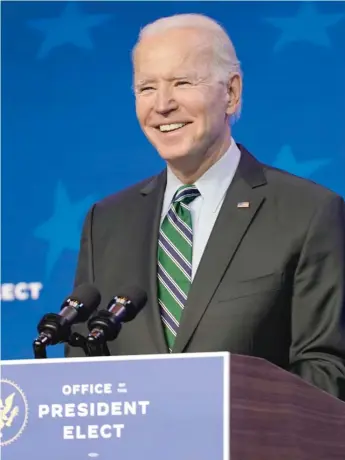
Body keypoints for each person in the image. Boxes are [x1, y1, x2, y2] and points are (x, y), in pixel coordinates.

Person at [66, 13, 345, 400]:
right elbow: (81, 375)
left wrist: (213, 419)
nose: (162, 105)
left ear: (231, 92)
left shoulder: (309, 212)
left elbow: (327, 370)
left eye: (182, 82)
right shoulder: (106, 223)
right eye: (147, 88)